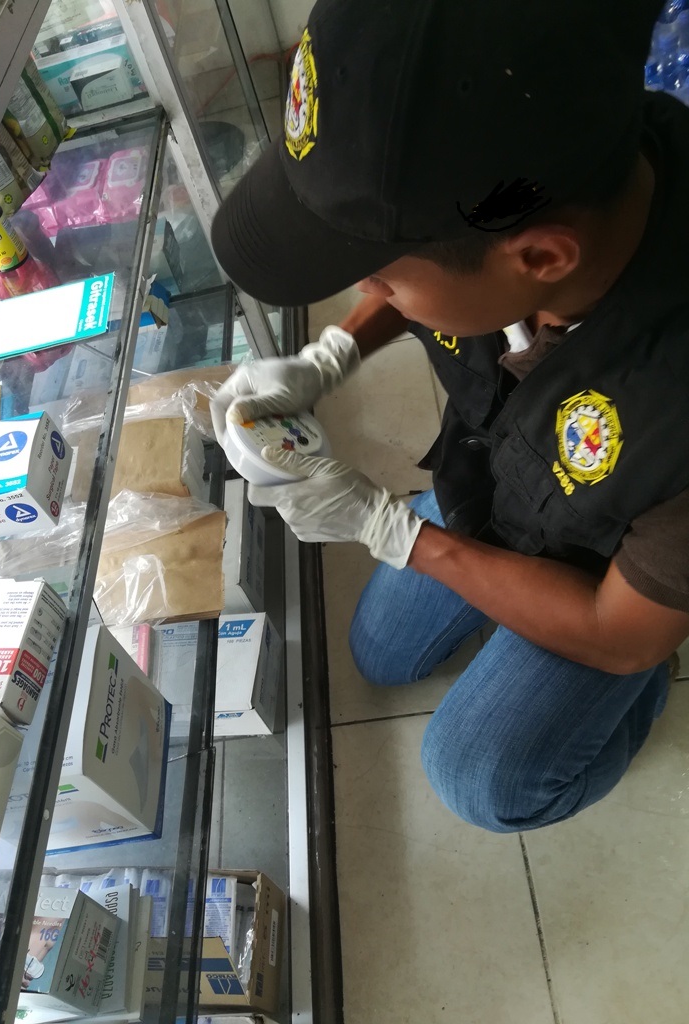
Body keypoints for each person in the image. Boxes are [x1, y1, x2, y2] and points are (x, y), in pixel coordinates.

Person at [209, 0, 689, 833]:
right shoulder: (566, 152)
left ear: (540, 257)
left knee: (479, 778)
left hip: (604, 571)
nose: (365, 294)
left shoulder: (675, 418)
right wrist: (333, 356)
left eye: (380, 279)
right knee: (380, 653)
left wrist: (397, 533)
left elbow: (618, 632)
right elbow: (431, 277)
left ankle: (633, 702)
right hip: (512, 471)